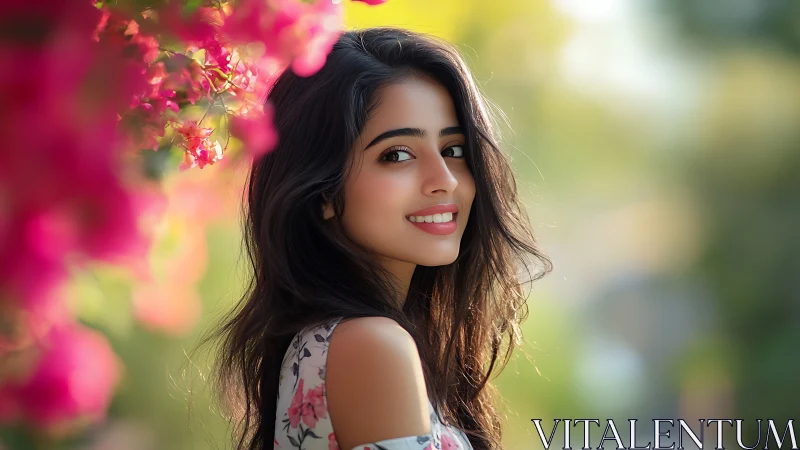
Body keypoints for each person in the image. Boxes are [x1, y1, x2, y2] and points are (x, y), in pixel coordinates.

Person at [207, 27, 553, 450]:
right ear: (323, 194)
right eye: (397, 154)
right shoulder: (372, 346)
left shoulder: (333, 342)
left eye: (453, 150)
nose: (444, 179)